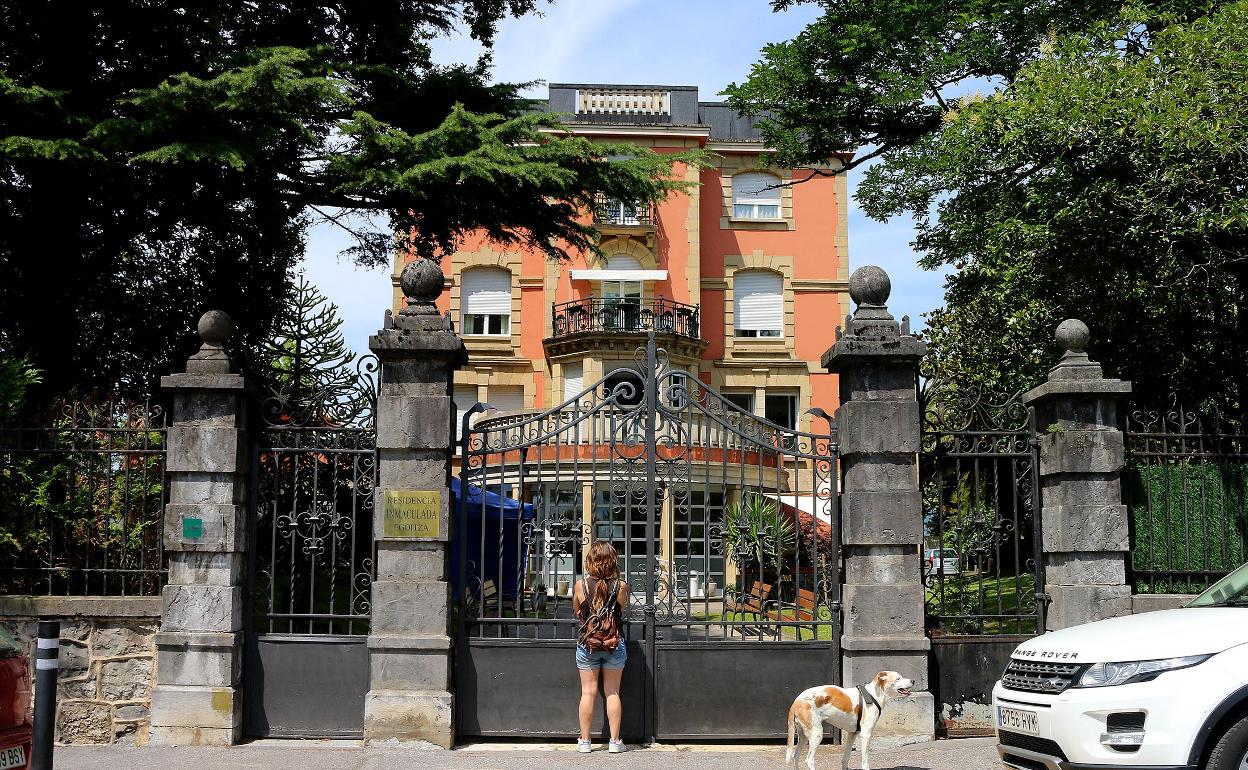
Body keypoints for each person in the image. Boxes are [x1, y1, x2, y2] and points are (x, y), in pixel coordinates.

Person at [573, 540, 629, 753]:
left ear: (591, 561)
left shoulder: (581, 585)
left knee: (588, 692)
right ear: (612, 561)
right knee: (613, 692)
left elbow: (576, 609)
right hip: (614, 644)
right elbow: (622, 608)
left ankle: (585, 742)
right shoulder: (620, 586)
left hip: (588, 645)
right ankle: (615, 742)